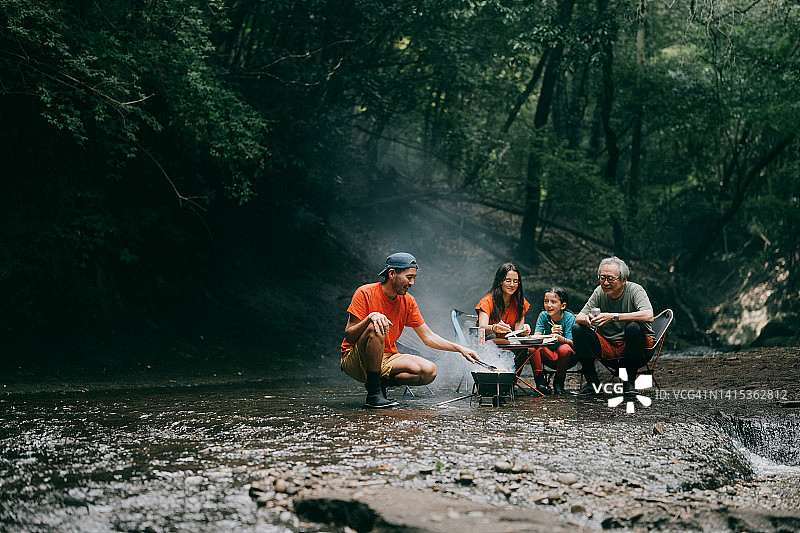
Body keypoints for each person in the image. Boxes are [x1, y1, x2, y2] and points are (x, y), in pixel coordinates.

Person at [341, 252, 480, 409]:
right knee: (375, 325)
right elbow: (350, 335)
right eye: (409, 277)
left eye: (414, 277)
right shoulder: (365, 292)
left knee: (429, 371)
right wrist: (370, 318)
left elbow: (428, 337)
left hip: (387, 358)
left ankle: (382, 382)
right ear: (392, 273)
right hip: (356, 358)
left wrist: (460, 348)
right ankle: (373, 394)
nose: (412, 282)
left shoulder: (408, 301)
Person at [571, 256, 655, 395]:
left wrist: (613, 316)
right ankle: (593, 384)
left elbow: (649, 316)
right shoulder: (599, 292)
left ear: (624, 280)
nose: (605, 282)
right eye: (602, 277)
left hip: (638, 348)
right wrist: (588, 319)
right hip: (608, 347)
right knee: (578, 329)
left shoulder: (635, 290)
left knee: (632, 327)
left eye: (610, 279)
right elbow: (579, 317)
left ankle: (629, 384)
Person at [474, 262, 533, 378]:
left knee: (524, 349)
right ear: (500, 281)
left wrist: (524, 330)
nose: (512, 284)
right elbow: (482, 328)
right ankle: (493, 381)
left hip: (510, 344)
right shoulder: (487, 301)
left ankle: (510, 383)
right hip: (490, 345)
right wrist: (494, 327)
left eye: (515, 281)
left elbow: (518, 331)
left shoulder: (520, 303)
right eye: (508, 280)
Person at [528, 287, 576, 395]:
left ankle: (559, 382)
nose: (549, 305)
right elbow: (536, 338)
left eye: (553, 302)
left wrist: (560, 338)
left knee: (564, 348)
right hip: (549, 354)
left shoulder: (569, 318)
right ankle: (540, 382)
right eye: (546, 301)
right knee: (532, 347)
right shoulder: (543, 316)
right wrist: (550, 335)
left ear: (563, 305)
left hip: (566, 357)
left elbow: (572, 342)